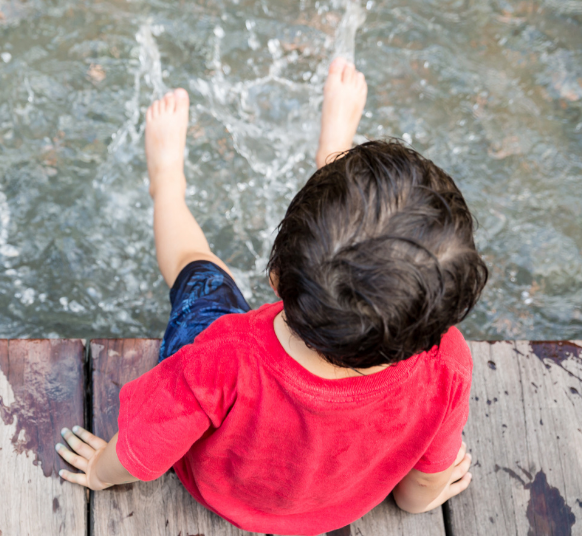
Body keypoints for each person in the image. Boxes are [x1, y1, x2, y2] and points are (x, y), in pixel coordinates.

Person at [53, 57, 488, 535]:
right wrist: (430, 495)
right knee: (355, 254)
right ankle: (333, 151)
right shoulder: (447, 362)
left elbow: (144, 451)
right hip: (333, 508)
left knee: (197, 267)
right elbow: (415, 496)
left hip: (220, 488)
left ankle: (167, 185)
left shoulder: (223, 357)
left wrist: (100, 470)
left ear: (276, 280)